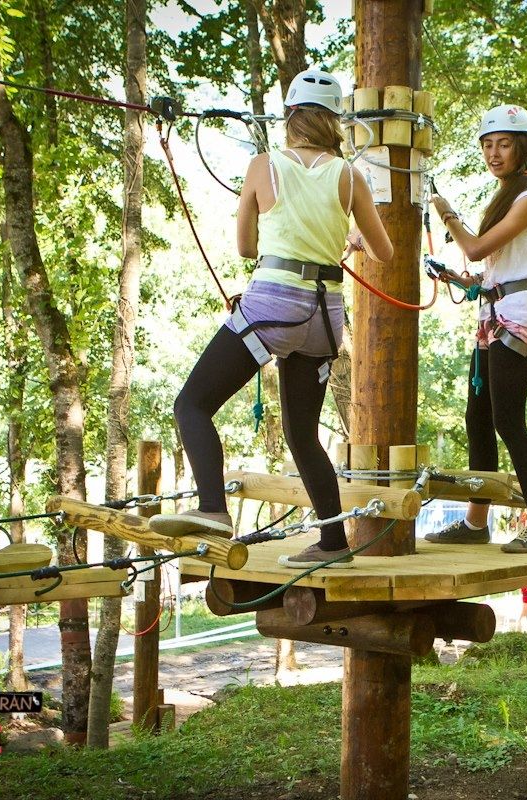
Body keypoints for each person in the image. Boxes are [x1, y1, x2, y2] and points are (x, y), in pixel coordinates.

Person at [150, 69, 393, 569]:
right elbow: (384, 251)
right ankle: (333, 542)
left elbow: (246, 247)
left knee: (191, 405)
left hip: (273, 306)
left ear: (291, 117)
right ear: (334, 121)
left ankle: (213, 509)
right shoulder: (350, 177)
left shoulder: (265, 165)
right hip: (324, 316)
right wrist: (348, 239)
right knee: (303, 434)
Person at [425, 104, 527, 554]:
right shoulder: (505, 198)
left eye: (503, 145)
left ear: (523, 149)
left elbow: (477, 249)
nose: (494, 153)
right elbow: (493, 266)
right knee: (477, 418)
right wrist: (461, 280)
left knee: (508, 421)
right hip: (497, 312)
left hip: (518, 316)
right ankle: (476, 521)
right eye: (487, 145)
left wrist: (446, 213)